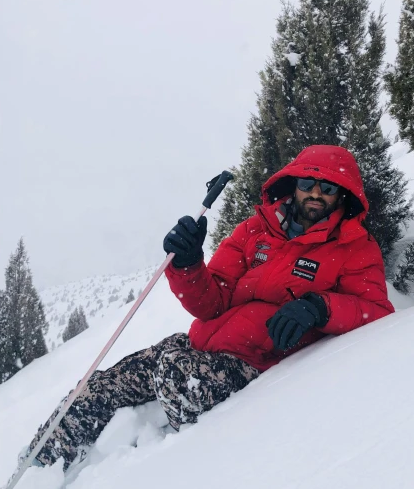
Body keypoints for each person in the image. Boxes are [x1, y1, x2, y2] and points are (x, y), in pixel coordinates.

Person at [27, 145, 394, 470]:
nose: (316, 194)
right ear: (293, 185)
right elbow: (210, 301)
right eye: (307, 184)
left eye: (328, 188)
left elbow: (376, 309)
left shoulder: (354, 248)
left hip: (253, 364)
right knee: (98, 386)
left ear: (343, 194)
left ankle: (160, 470)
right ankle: (37, 465)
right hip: (198, 344)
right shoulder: (253, 231)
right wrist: (186, 264)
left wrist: (319, 307)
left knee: (174, 374)